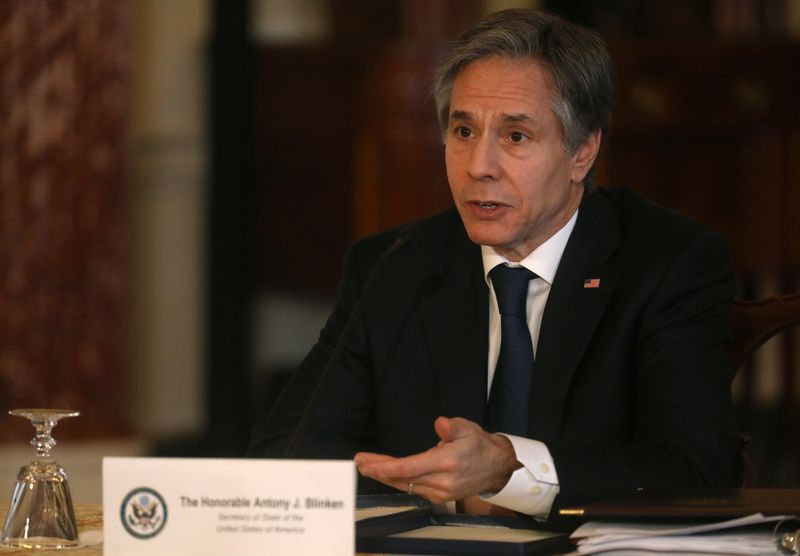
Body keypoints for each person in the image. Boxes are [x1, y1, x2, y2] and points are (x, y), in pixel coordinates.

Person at [247, 8, 739, 519]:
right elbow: (283, 458)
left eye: (515, 137)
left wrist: (509, 470)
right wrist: (431, 490)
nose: (479, 167)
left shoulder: (667, 263)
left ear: (582, 152)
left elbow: (695, 466)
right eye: (463, 132)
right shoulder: (393, 266)